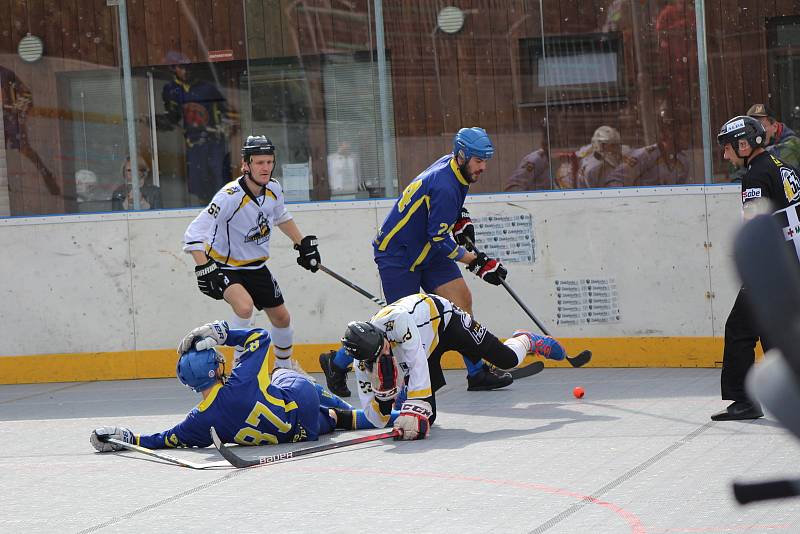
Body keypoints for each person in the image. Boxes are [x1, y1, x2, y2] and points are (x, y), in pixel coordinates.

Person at [319, 127, 513, 397]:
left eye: (485, 161)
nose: (483, 167)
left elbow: (438, 213)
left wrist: (460, 220)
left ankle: (477, 371)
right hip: (398, 255)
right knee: (397, 324)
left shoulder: (454, 167)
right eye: (479, 161)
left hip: (427, 250)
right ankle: (337, 363)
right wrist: (478, 263)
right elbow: (438, 238)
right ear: (462, 155)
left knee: (461, 302)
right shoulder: (446, 182)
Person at [89, 321, 379, 451]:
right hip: (299, 407)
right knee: (281, 375)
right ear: (216, 369)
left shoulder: (198, 421)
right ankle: (391, 411)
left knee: (336, 419)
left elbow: (163, 439)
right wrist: (222, 332)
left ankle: (341, 416)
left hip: (302, 434)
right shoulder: (240, 380)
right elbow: (261, 338)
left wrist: (126, 438)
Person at [340, 293, 568, 440]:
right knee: (428, 419)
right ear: (365, 361)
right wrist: (382, 398)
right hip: (423, 346)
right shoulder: (361, 366)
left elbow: (417, 361)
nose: (387, 350)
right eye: (381, 353)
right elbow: (376, 420)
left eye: (386, 345)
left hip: (447, 321)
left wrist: (412, 404)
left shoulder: (397, 322)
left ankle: (526, 339)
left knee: (507, 359)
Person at [183, 135, 321, 371]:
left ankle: (283, 368)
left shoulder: (274, 189)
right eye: (259, 162)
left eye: (269, 162)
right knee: (245, 307)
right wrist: (204, 267)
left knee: (282, 318)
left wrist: (303, 244)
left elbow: (281, 217)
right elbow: (193, 234)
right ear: (245, 165)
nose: (265, 167)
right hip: (225, 266)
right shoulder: (229, 197)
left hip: (256, 266)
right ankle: (240, 368)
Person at [712, 115, 800, 420]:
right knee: (769, 329)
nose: (725, 155)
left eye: (727, 148)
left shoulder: (755, 176)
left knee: (738, 329)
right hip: (793, 261)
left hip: (777, 266)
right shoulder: (781, 165)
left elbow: (755, 226)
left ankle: (744, 401)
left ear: (744, 143)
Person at [158, 51, 237, 205]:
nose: (184, 71)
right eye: (179, 67)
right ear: (173, 69)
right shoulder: (171, 90)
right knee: (199, 184)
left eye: (186, 67)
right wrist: (157, 121)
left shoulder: (207, 88)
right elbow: (173, 119)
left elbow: (229, 112)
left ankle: (224, 208)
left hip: (214, 142)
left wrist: (225, 127)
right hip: (193, 145)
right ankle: (205, 210)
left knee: (219, 180)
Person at [0, 66, 60, 196]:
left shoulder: (6, 73)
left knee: (25, 149)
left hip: (10, 120)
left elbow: (26, 94)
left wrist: (16, 110)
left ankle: (46, 175)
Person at [608, 102, 690, 187]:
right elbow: (613, 181)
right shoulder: (644, 156)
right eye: (685, 130)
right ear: (669, 131)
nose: (689, 135)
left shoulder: (683, 162)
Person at [747, 104, 800, 171]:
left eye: (761, 127)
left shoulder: (792, 144)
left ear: (775, 127)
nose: (756, 133)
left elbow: (772, 169)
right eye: (752, 129)